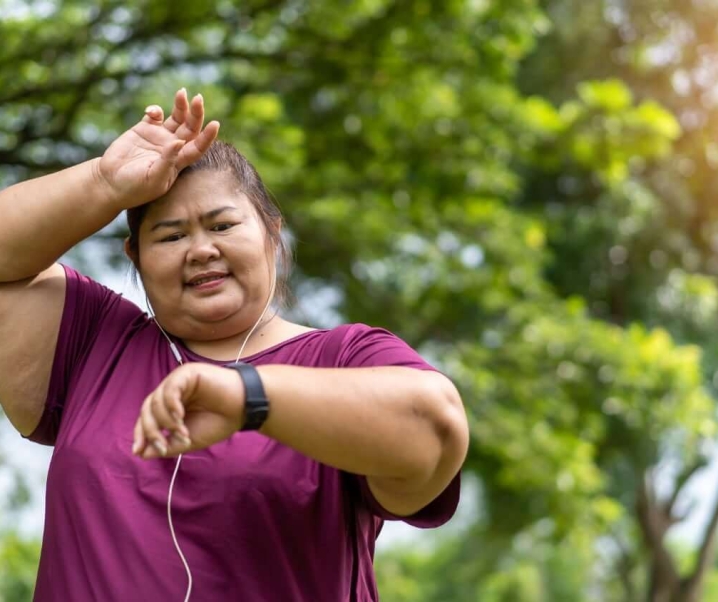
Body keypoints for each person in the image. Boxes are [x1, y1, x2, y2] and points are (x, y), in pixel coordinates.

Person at [0, 88, 469, 601]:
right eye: (171, 236)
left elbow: (436, 426)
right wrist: (106, 182)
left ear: (272, 233)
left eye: (222, 225)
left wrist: (247, 396)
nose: (201, 250)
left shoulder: (342, 360)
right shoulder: (92, 343)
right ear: (135, 257)